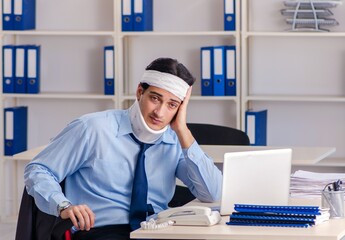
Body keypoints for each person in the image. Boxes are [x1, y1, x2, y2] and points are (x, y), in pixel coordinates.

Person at [24, 57, 223, 240]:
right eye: (155, 98)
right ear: (139, 92)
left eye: (172, 105)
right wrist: (63, 205)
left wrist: (182, 129)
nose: (160, 112)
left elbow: (212, 193)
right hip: (100, 230)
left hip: (155, 230)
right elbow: (39, 169)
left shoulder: (174, 141)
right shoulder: (93, 128)